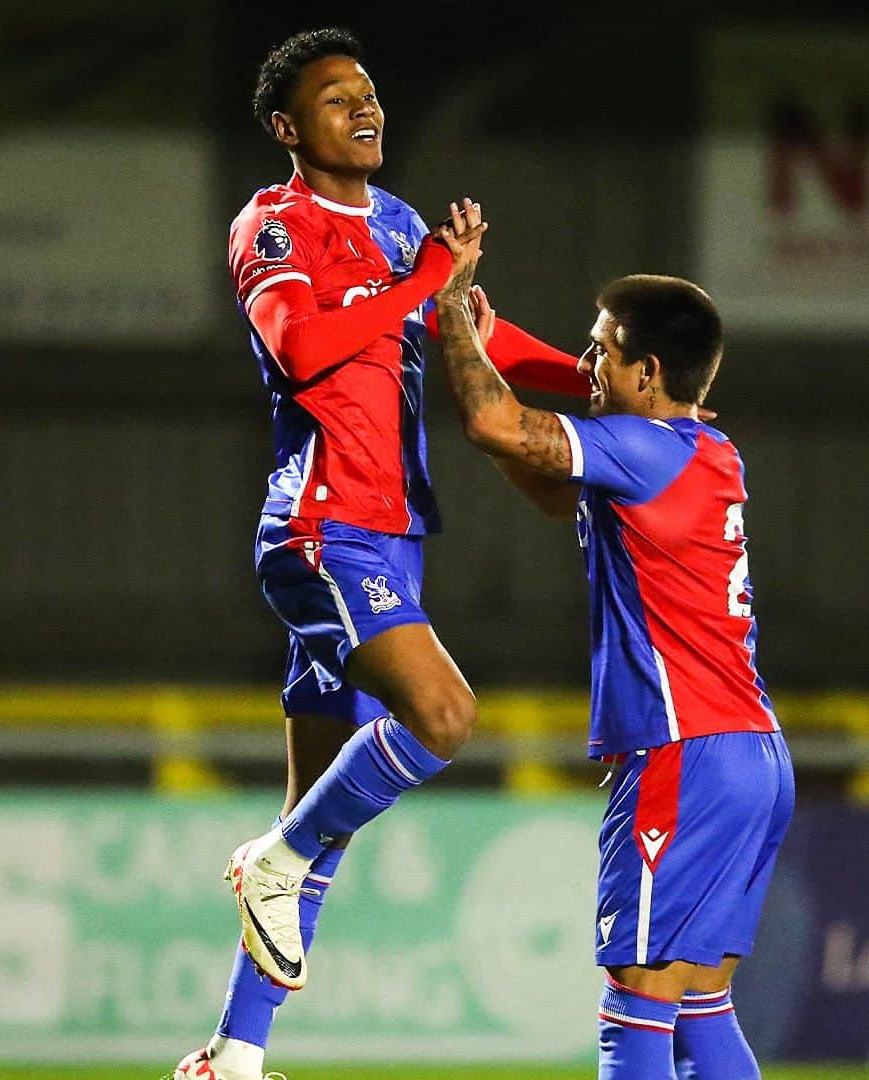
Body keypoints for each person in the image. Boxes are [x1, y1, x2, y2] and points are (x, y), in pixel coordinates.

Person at [174, 27, 587, 1080]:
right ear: (285, 128)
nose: (365, 107)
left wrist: (602, 389)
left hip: (391, 539)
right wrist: (429, 282)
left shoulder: (403, 227)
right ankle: (271, 865)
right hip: (320, 530)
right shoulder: (274, 226)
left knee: (316, 825)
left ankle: (235, 1054)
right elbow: (303, 345)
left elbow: (474, 335)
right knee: (442, 717)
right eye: (334, 97)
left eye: (369, 92)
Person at [432, 212, 795, 1080]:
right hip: (752, 754)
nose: (587, 364)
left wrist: (449, 312)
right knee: (701, 1003)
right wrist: (492, 341)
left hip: (683, 754)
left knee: (636, 1003)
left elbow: (497, 425)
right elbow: (557, 482)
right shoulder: (706, 449)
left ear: (650, 371)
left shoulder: (638, 448)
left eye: (602, 351)